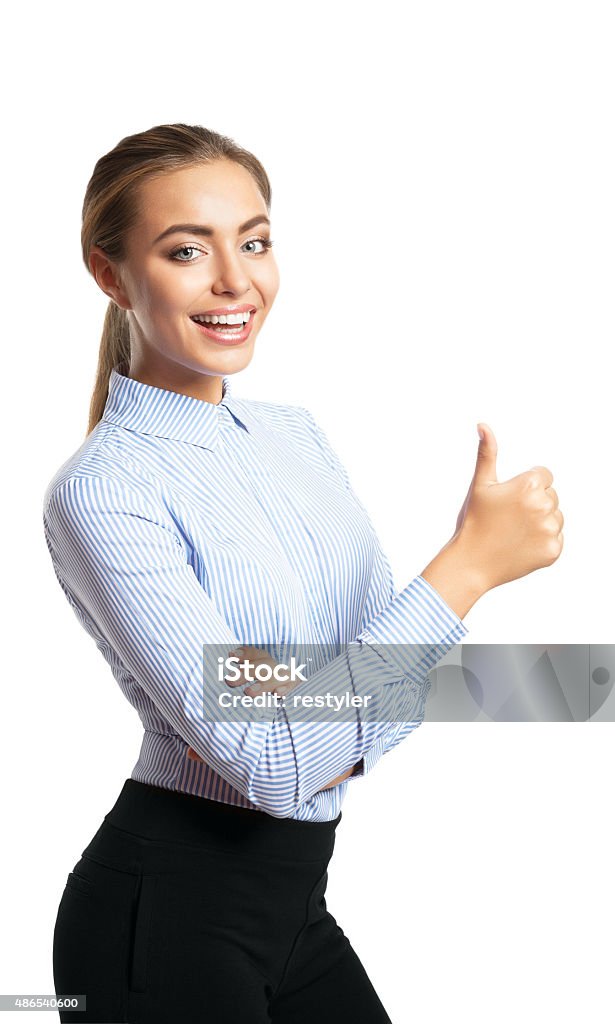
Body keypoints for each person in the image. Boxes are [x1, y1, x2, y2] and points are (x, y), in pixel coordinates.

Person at [43, 122, 564, 1024]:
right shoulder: (103, 492)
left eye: (253, 241)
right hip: (162, 924)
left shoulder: (293, 436)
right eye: (184, 250)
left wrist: (585, 685)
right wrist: (467, 569)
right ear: (109, 274)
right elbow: (281, 763)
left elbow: (380, 679)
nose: (234, 281)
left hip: (291, 911)